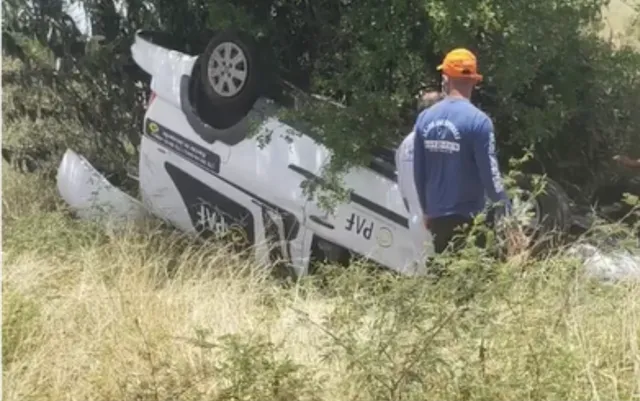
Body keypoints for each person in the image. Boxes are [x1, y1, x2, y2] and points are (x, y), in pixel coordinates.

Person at [412, 48, 511, 255]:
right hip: (471, 219)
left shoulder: (424, 119)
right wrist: (504, 207)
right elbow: (489, 173)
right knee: (472, 280)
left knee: (444, 279)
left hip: (437, 215)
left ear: (445, 79)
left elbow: (418, 173)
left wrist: (426, 210)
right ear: (475, 81)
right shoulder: (479, 122)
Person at [395, 90, 444, 267]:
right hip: (436, 222)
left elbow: (403, 192)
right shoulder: (438, 142)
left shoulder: (405, 144)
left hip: (416, 222)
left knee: (425, 275)